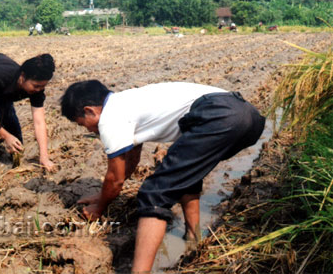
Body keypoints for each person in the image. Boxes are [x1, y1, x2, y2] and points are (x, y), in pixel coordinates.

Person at [60, 80, 265, 272]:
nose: (86, 129)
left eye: (81, 123)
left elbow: (115, 179)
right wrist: (102, 196)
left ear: (90, 111)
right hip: (247, 116)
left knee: (154, 193)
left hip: (220, 116)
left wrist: (99, 207)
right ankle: (193, 238)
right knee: (185, 175)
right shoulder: (127, 102)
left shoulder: (109, 118)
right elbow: (129, 164)